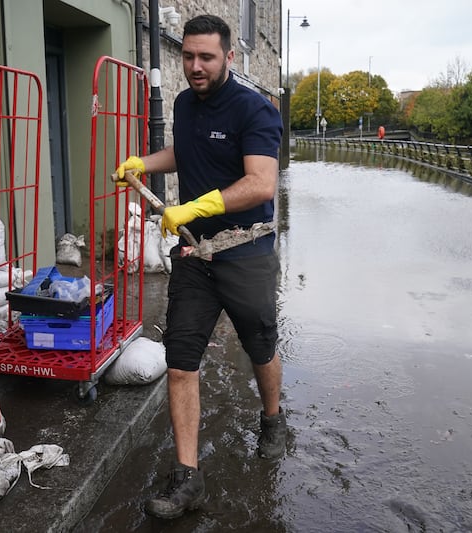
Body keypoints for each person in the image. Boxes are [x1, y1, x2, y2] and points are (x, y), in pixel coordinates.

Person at [115, 14, 285, 520]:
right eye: (188, 56)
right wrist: (145, 163)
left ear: (229, 58)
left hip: (246, 250)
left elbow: (260, 184)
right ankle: (188, 477)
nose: (194, 66)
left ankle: (273, 419)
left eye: (205, 57)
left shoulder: (256, 110)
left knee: (260, 345)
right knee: (180, 359)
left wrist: (196, 206)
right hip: (194, 255)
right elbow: (185, 152)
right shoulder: (186, 103)